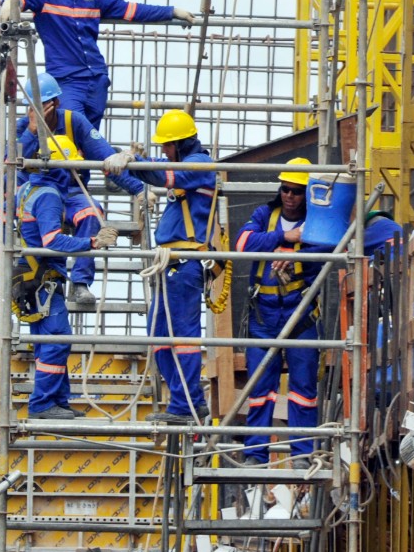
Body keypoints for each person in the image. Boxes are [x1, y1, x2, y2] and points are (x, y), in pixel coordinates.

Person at [0, 0, 196, 127]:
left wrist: (172, 12)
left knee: (90, 140)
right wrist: (9, 3)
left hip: (97, 79)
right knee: (74, 128)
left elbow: (131, 10)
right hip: (67, 80)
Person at [14, 138, 119, 419]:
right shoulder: (49, 195)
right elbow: (52, 240)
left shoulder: (26, 189)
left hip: (28, 278)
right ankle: (43, 404)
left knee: (46, 342)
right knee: (58, 340)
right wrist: (92, 243)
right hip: (43, 280)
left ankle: (57, 400)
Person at [20, 71, 147, 304]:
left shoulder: (73, 121)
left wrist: (138, 189)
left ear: (56, 102)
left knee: (91, 212)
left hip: (70, 193)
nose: (40, 111)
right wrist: (31, 132)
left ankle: (80, 283)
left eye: (45, 104)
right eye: (34, 105)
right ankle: (39, 279)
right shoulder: (24, 127)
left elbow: (106, 160)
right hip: (35, 196)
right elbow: (11, 160)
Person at [234, 158, 326, 464]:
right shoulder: (265, 215)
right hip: (264, 317)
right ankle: (256, 454)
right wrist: (282, 239)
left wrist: (296, 253)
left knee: (303, 390)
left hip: (300, 317)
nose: (289, 195)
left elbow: (329, 250)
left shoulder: (316, 222)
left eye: (297, 191)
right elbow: (244, 242)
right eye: (285, 189)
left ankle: (302, 454)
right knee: (261, 388)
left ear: (307, 193)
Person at [128, 110, 215, 424]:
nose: (164, 151)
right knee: (160, 338)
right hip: (169, 266)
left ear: (182, 143)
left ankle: (185, 405)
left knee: (183, 338)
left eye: (167, 146)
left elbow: (162, 175)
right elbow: (151, 174)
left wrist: (136, 163)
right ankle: (189, 400)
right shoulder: (184, 167)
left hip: (185, 264)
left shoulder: (200, 165)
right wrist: (124, 165)